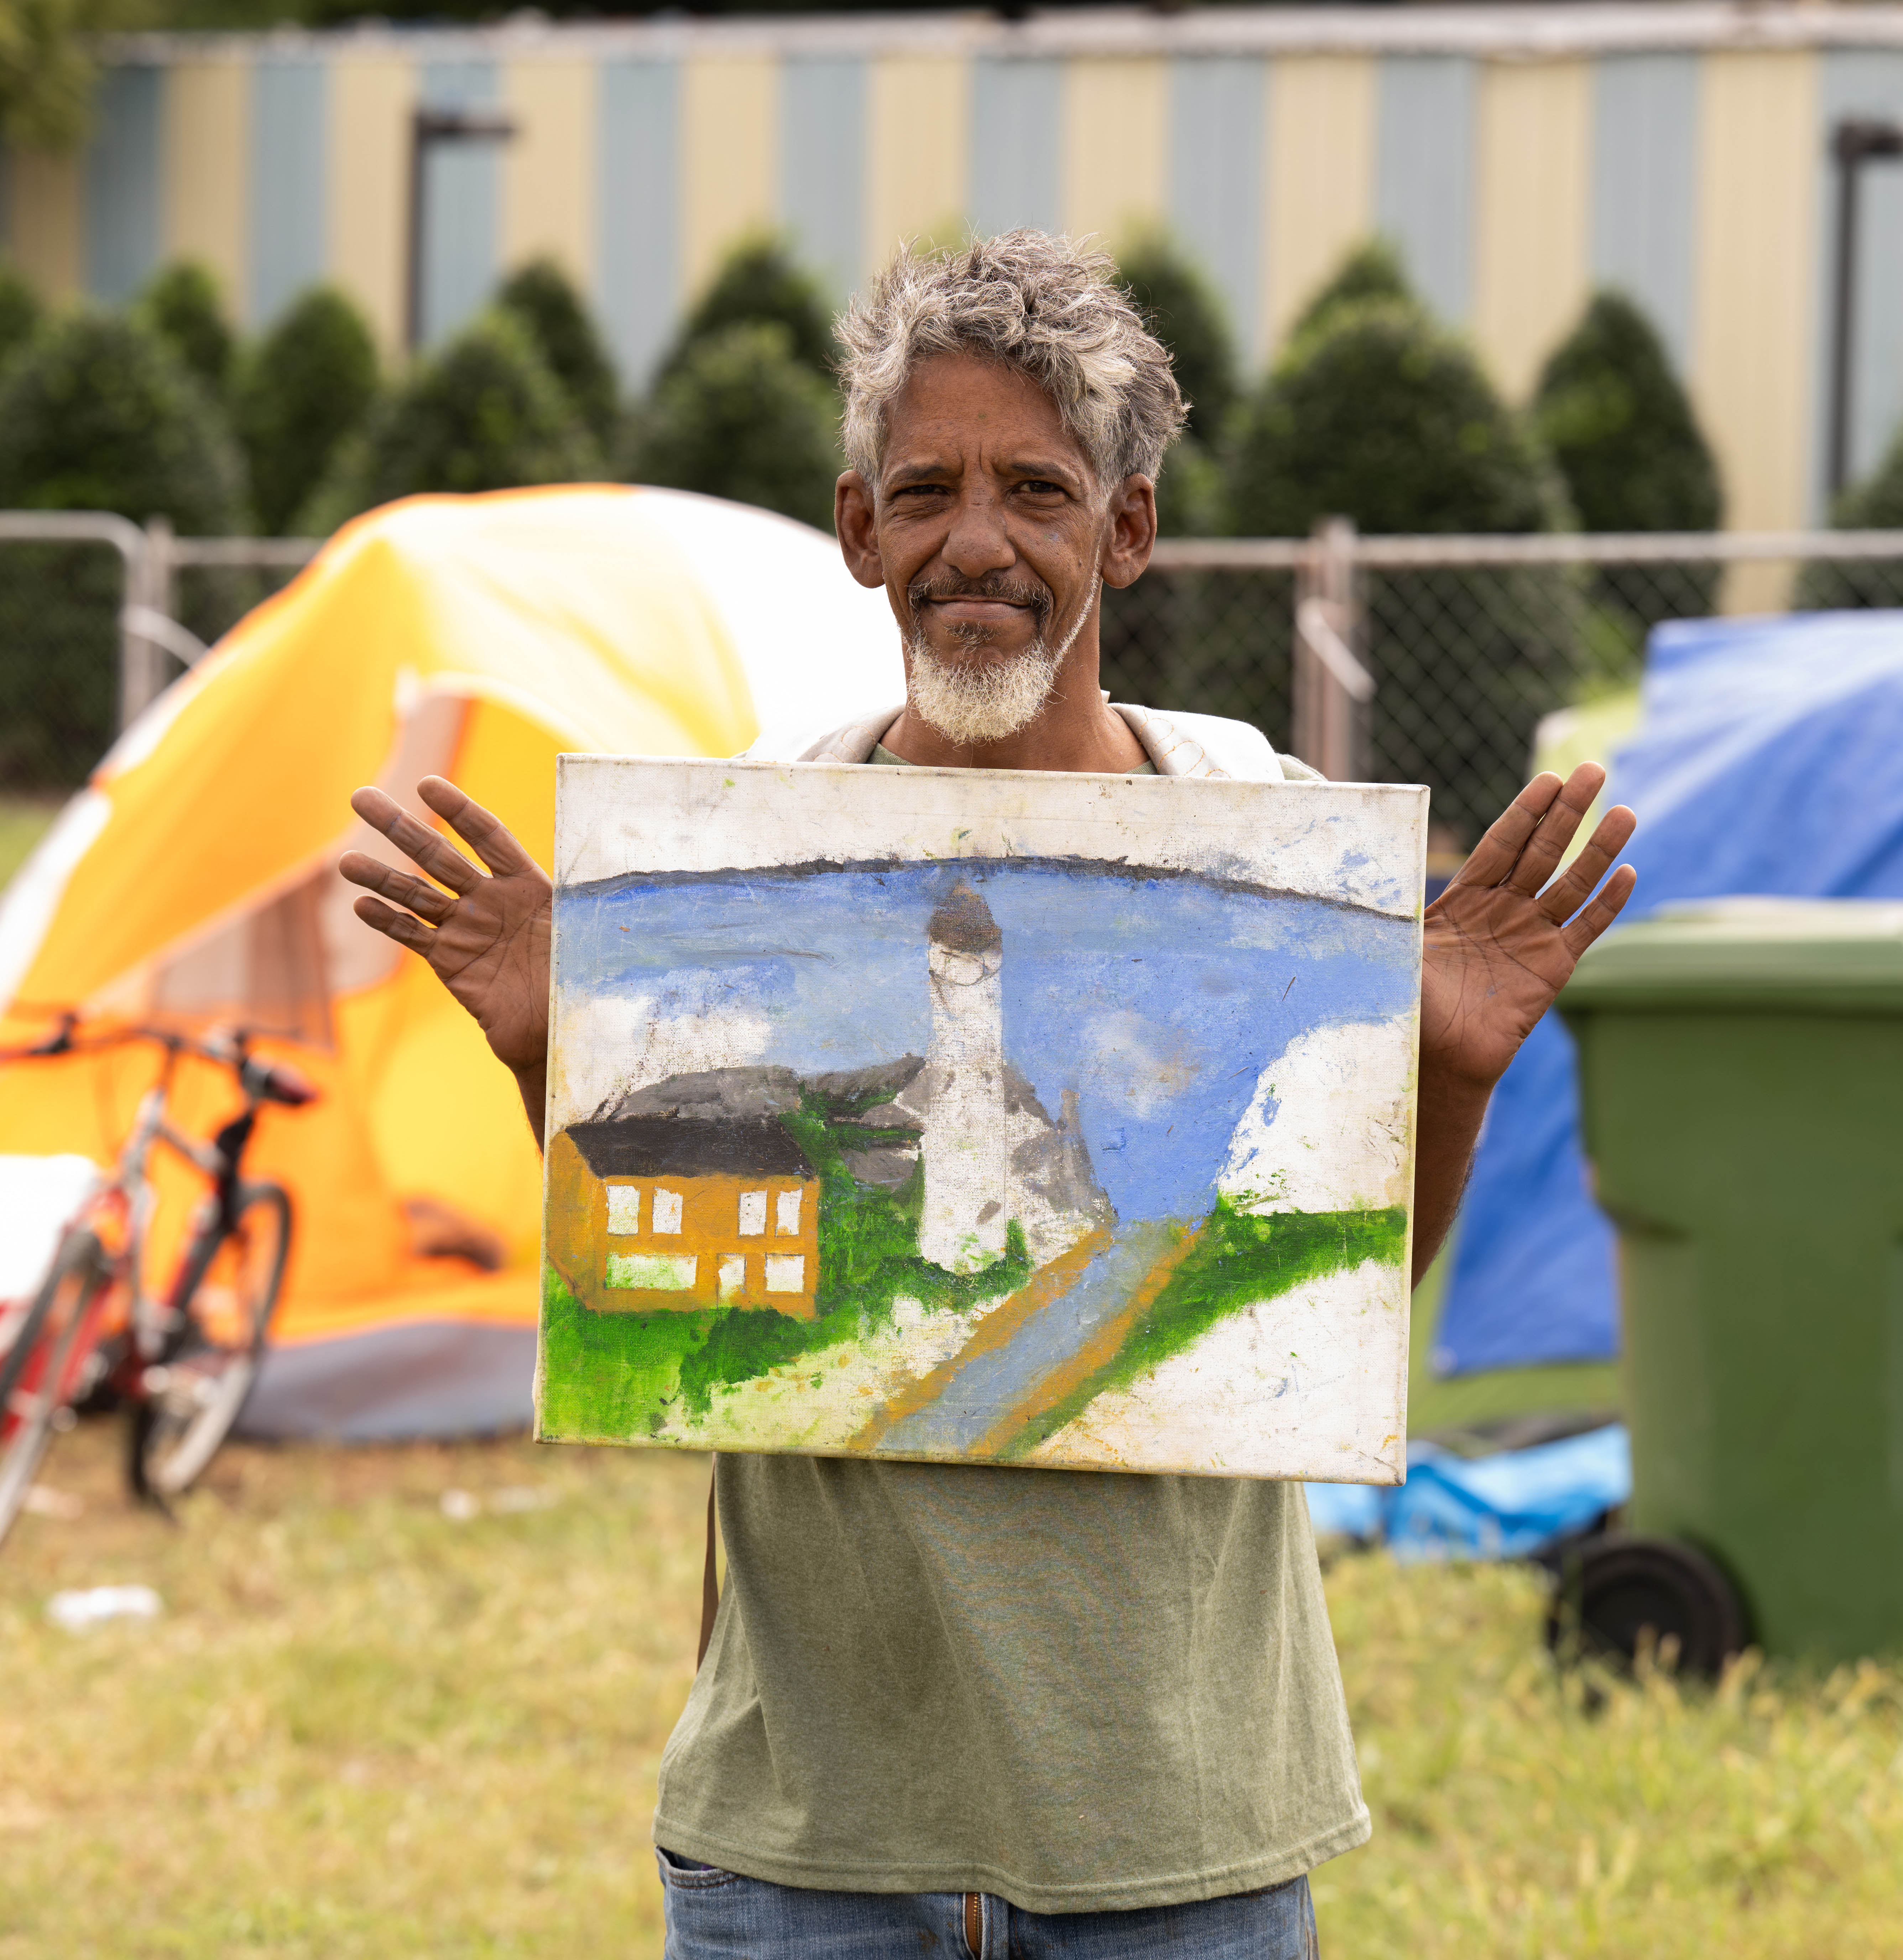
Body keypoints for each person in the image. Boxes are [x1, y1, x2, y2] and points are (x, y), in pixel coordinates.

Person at [338, 232, 1635, 1960]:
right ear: (859, 525)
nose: (977, 542)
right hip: (810, 1829)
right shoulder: (748, 853)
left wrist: (1447, 1083)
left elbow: (1310, 1323)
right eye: (926, 488)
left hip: (1175, 1823)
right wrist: (547, 1056)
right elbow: (691, 1307)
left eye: (1036, 488)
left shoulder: (1258, 839)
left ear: (1128, 529)